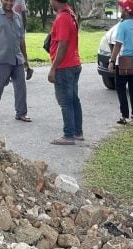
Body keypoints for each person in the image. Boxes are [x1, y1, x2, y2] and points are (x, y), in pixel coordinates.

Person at [0, 0, 31, 122]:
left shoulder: (18, 17)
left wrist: (25, 59)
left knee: (21, 86)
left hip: (17, 58)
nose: (10, 3)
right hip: (1, 57)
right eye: (7, 0)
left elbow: (21, 40)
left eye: (12, 1)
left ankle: (21, 113)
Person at [48, 0, 84, 145]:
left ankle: (68, 134)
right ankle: (77, 132)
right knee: (74, 100)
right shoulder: (70, 13)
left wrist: (53, 68)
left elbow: (62, 45)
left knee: (65, 101)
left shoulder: (63, 17)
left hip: (65, 66)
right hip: (74, 63)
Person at [108, 0, 133, 125]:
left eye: (122, 9)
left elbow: (118, 45)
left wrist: (112, 61)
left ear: (127, 11)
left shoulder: (122, 26)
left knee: (120, 88)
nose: (120, 10)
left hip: (123, 62)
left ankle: (124, 115)